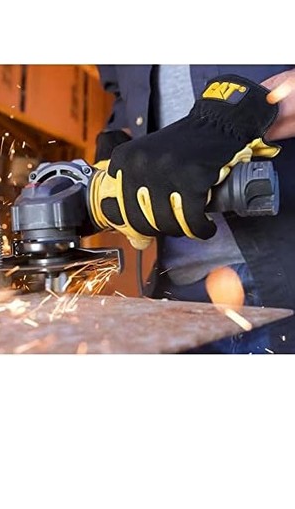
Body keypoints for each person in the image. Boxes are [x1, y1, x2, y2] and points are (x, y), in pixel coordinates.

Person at [95, 65, 295, 353]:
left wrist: (232, 119)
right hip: (176, 288)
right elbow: (126, 102)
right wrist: (114, 146)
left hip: (282, 274)